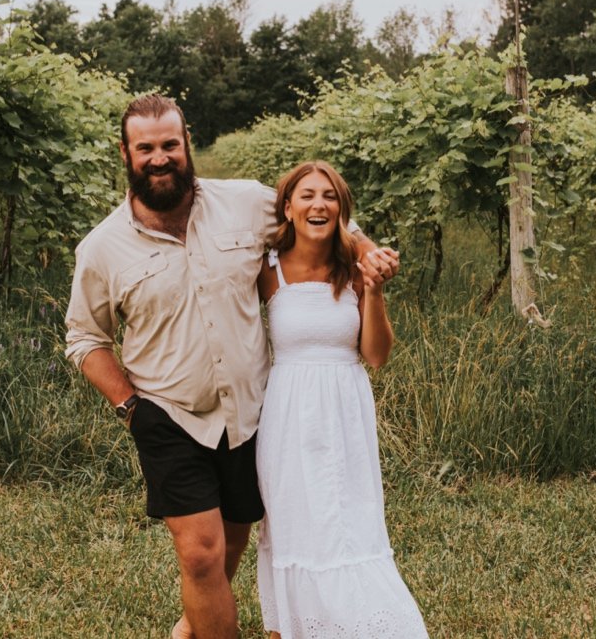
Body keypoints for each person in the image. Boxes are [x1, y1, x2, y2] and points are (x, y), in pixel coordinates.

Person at [64, 95, 399, 639]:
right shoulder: (102, 248)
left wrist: (365, 249)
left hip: (251, 415)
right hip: (168, 415)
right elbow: (84, 338)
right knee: (200, 554)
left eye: (169, 144)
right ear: (125, 153)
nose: (159, 157)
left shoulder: (244, 202)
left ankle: (190, 629)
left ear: (186, 144)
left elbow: (316, 210)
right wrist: (130, 407)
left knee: (233, 544)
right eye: (145, 147)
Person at [255, 160, 427, 638]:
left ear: (343, 211)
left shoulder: (355, 270)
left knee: (348, 523)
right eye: (307, 195)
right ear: (288, 208)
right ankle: (290, 628)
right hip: (287, 412)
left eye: (329, 196)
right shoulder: (267, 271)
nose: (319, 204)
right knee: (291, 522)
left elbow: (376, 355)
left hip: (345, 408)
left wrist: (373, 291)